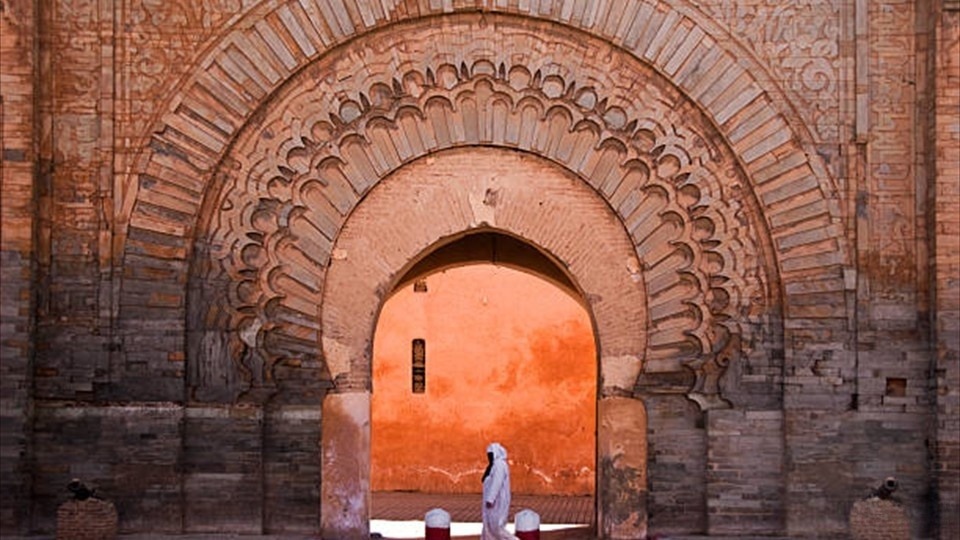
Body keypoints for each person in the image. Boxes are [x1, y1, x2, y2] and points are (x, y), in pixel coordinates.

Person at [481, 442, 518, 540]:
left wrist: (490, 498)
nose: (489, 457)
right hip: (492, 502)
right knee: (488, 526)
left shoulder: (499, 465)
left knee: (496, 527)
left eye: (490, 454)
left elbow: (496, 482)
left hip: (497, 500)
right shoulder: (493, 465)